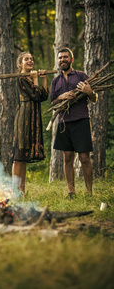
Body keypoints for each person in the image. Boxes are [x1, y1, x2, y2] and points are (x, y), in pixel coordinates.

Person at [50, 47, 97, 198]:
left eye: (65, 57)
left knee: (84, 158)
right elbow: (52, 103)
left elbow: (94, 98)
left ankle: (89, 192)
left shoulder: (81, 76)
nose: (62, 59)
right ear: (58, 61)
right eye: (60, 58)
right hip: (64, 122)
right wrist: (61, 97)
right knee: (67, 158)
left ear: (71, 59)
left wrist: (89, 92)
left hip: (81, 120)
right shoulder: (55, 81)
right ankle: (71, 192)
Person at [10, 51, 49, 195]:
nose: (30, 61)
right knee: (18, 156)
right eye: (27, 59)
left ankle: (22, 190)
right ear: (20, 64)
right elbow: (36, 95)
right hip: (24, 118)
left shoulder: (31, 78)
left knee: (24, 157)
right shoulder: (21, 78)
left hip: (33, 118)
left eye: (31, 59)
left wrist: (43, 78)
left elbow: (44, 96)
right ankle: (14, 191)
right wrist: (35, 78)